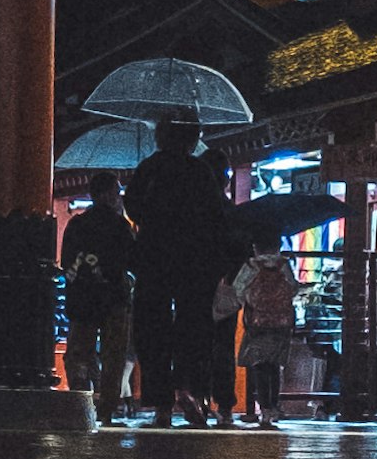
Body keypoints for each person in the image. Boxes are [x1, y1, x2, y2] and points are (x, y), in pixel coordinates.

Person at [125, 107, 237, 426]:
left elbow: (133, 206)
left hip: (155, 258)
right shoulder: (200, 172)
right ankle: (192, 391)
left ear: (162, 135)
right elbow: (217, 220)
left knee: (153, 330)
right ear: (192, 138)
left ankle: (161, 403)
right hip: (195, 263)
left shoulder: (150, 168)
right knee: (195, 330)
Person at [62, 183, 136, 416]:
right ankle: (108, 405)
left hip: (82, 298)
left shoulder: (76, 224)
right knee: (113, 354)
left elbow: (66, 262)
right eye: (115, 192)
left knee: (79, 351)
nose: (118, 198)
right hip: (114, 298)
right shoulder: (120, 226)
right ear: (105, 194)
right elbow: (132, 261)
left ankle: (80, 396)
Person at [227, 212, 305, 420]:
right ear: (278, 245)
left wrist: (252, 301)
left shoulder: (252, 265)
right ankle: (274, 404)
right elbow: (293, 289)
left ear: (255, 245)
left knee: (259, 365)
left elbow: (238, 289)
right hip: (281, 322)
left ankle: (265, 409)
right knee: (274, 364)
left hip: (257, 321)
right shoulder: (284, 265)